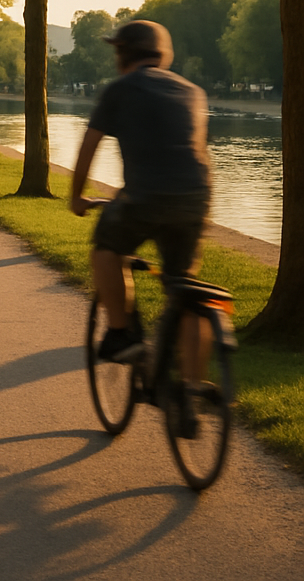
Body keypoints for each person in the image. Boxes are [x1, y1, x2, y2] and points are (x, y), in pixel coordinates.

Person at [70, 20, 211, 381]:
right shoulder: (193, 92)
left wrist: (77, 197)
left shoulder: (120, 89)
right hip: (196, 197)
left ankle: (121, 334)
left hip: (145, 196)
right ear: (164, 54)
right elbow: (197, 152)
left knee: (106, 248)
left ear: (122, 53)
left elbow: (88, 146)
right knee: (184, 287)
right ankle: (192, 391)